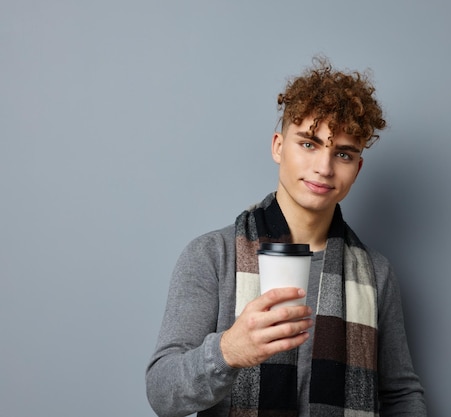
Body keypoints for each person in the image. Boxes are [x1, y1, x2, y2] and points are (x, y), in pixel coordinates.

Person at [146, 57, 428, 417]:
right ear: (279, 146)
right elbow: (162, 392)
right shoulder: (213, 256)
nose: (324, 168)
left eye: (342, 153)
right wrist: (228, 351)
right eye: (309, 144)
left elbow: (402, 394)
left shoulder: (377, 272)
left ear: (356, 169)